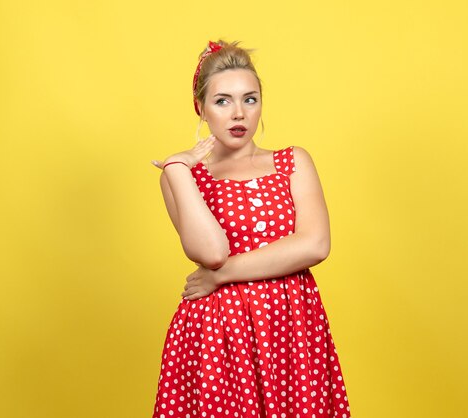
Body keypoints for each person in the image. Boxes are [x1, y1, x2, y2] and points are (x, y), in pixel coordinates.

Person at [150, 39, 351, 418]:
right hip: (217, 333)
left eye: (250, 99)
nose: (238, 113)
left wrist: (219, 278)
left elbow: (315, 244)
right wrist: (178, 167)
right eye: (222, 101)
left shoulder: (293, 162)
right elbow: (210, 252)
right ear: (201, 108)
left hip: (290, 326)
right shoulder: (183, 178)